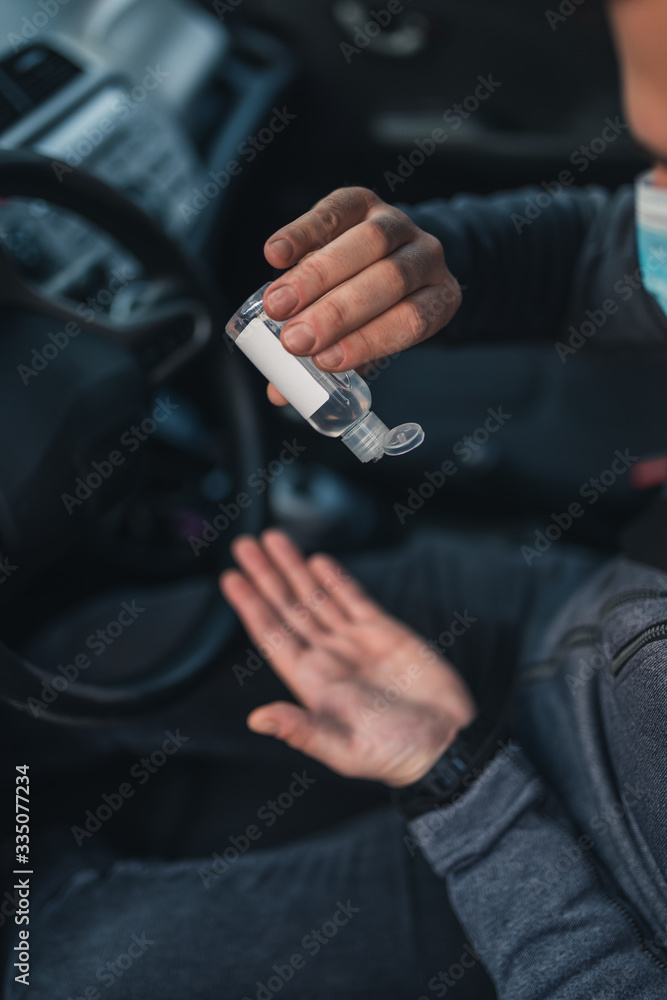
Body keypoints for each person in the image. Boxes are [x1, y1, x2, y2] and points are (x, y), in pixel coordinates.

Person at [6, 0, 667, 997]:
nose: (657, 189)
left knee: (51, 957)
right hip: (574, 618)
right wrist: (443, 266)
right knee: (71, 667)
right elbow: (608, 253)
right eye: (656, 155)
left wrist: (461, 787)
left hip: (594, 880)